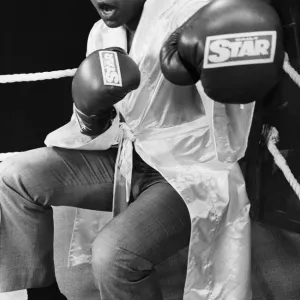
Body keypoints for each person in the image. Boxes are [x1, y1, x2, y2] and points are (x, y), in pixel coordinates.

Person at [0, 0, 284, 300]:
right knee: (15, 176)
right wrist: (89, 113)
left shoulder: (190, 13)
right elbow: (99, 128)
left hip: (187, 173)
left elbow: (235, 122)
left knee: (112, 255)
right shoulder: (102, 33)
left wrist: (211, 56)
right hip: (125, 158)